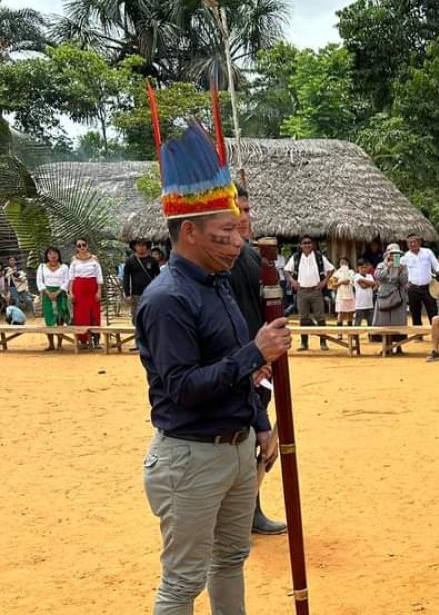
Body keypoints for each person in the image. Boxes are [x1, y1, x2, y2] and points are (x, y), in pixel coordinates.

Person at [136, 117, 293, 615]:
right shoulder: (167, 300)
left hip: (237, 447)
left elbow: (238, 370)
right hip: (190, 457)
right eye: (226, 231)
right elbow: (183, 387)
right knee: (182, 583)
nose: (238, 241)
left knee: (230, 558)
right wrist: (256, 352)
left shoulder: (218, 282)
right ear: (190, 232)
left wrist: (260, 422)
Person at [223, 185, 289, 537]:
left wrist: (270, 353)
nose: (245, 217)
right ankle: (232, 518)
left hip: (261, 364)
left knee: (257, 441)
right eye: (239, 210)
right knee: (232, 441)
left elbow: (269, 309)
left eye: (248, 210)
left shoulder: (253, 257)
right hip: (235, 365)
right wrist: (248, 357)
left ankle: (251, 509)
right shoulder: (220, 262)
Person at [285, 236, 334, 351]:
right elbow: (286, 270)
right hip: (301, 291)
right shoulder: (296, 257)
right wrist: (292, 281)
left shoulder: (319, 257)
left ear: (312, 244)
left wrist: (324, 282)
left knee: (320, 317)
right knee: (303, 317)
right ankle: (304, 343)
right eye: (304, 243)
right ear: (300, 245)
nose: (307, 245)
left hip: (316, 290)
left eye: (309, 243)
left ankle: (323, 342)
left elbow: (331, 269)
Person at [372, 243, 409, 353]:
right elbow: (377, 277)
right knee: (384, 322)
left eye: (396, 254)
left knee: (398, 321)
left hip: (398, 296)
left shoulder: (402, 266)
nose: (394, 256)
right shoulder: (381, 265)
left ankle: (398, 346)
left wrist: (400, 272)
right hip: (384, 295)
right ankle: (386, 346)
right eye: (392, 254)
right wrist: (388, 267)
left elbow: (404, 281)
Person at [69, 238, 104, 350]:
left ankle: (96, 339)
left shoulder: (94, 259)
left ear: (87, 245)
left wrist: (99, 291)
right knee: (81, 315)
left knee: (94, 314)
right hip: (79, 288)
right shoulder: (74, 260)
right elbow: (71, 278)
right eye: (79, 246)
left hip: (92, 287)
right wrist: (71, 292)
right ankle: (83, 340)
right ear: (76, 248)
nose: (82, 247)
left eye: (84, 245)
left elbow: (99, 276)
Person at [36, 247, 71, 352]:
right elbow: (39, 281)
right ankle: (51, 344)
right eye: (50, 253)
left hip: (60, 293)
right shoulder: (42, 267)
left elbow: (67, 281)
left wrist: (57, 292)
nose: (53, 255)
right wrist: (48, 292)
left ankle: (60, 344)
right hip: (47, 294)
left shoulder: (64, 267)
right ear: (47, 256)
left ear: (58, 255)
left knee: (60, 318)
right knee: (49, 318)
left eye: (55, 253)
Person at [401, 233, 439, 326]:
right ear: (407, 244)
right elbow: (397, 268)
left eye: (414, 242)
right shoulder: (405, 256)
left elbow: (436, 266)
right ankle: (418, 333)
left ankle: (436, 332)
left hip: (429, 287)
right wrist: (404, 283)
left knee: (433, 311)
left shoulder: (428, 252)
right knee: (415, 313)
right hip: (413, 288)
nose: (412, 244)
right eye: (410, 242)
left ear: (419, 242)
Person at [123, 239, 161, 321]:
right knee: (136, 317)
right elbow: (126, 277)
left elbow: (158, 277)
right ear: (135, 247)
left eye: (143, 245)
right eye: (139, 245)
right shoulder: (130, 261)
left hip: (150, 293)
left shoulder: (153, 261)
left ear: (147, 246)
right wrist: (127, 294)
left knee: (150, 316)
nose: (141, 247)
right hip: (136, 294)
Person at [331, 258, 357, 326]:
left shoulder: (351, 272)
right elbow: (333, 285)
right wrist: (341, 282)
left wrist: (349, 282)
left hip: (350, 295)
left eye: (345, 262)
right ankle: (339, 330)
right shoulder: (337, 272)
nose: (343, 264)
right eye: (342, 263)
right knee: (341, 313)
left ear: (348, 263)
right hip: (341, 295)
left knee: (351, 312)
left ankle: (350, 329)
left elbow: (354, 282)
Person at [353, 260, 376, 327]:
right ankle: (355, 334)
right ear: (358, 268)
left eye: (365, 267)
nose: (364, 269)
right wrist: (370, 284)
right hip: (360, 305)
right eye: (362, 267)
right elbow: (363, 286)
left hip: (369, 304)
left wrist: (363, 280)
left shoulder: (369, 276)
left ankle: (371, 334)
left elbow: (374, 284)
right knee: (357, 323)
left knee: (371, 323)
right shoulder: (356, 276)